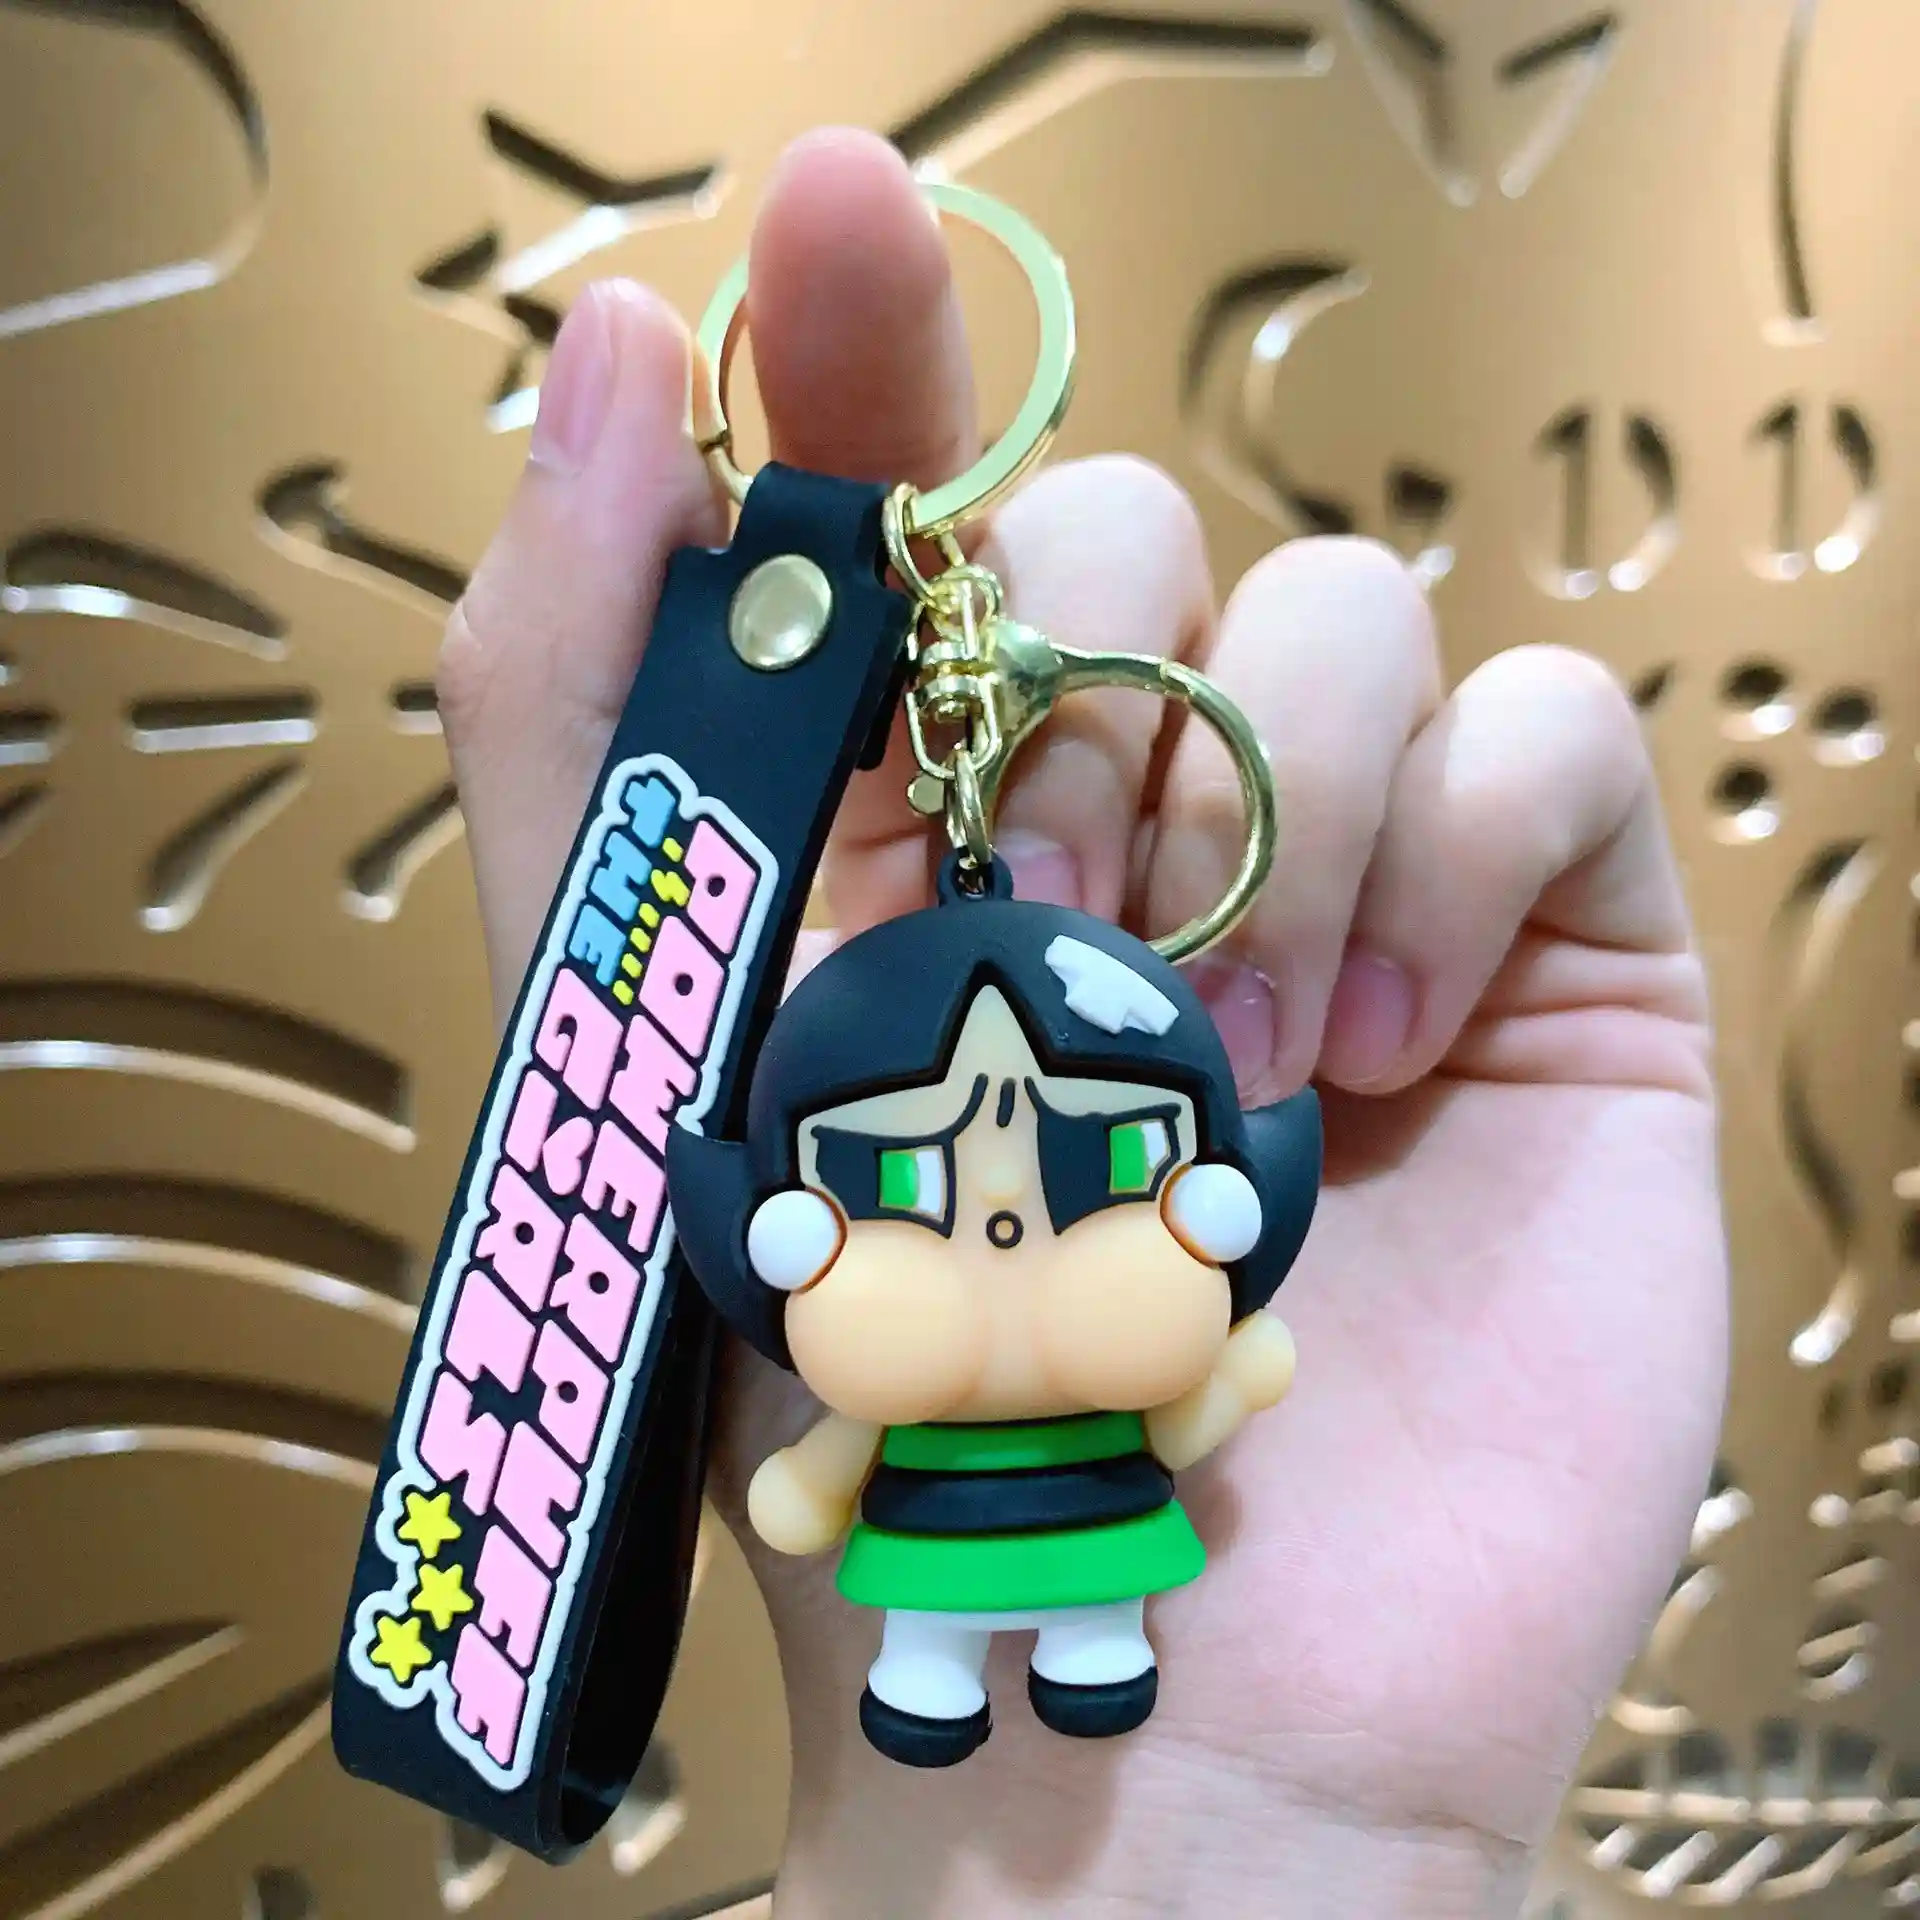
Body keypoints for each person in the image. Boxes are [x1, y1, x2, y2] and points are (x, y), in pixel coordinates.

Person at [437, 126, 1727, 1919]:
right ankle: (947, 1688)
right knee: (933, 1662)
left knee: (1085, 1624)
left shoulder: (1144, 1345)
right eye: (899, 1180)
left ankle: (1073, 1667)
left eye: (1098, 1164)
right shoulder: (891, 1330)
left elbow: (1202, 1384)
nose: (991, 1230)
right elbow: (829, 1468)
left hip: (1110, 1540)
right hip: (931, 1563)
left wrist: (1327, 1849)